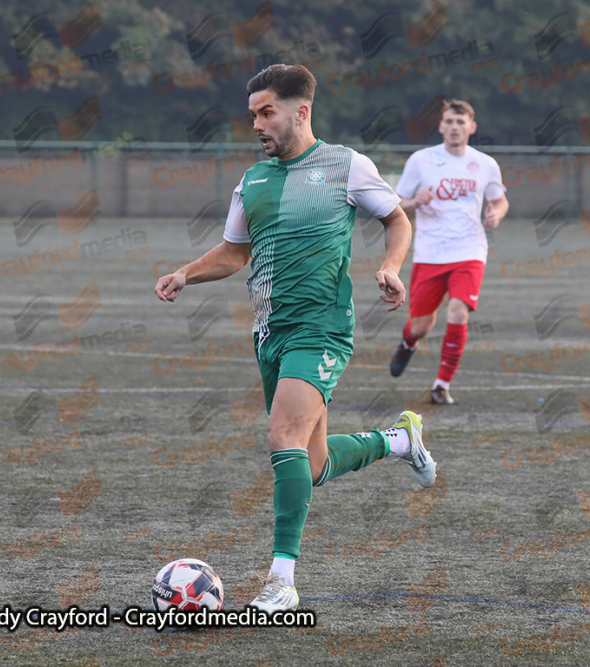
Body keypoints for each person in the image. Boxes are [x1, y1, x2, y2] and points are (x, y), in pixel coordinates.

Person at [154, 64, 437, 613]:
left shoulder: (346, 165)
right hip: (270, 336)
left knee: (282, 433)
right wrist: (186, 273)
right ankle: (399, 441)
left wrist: (393, 265)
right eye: (253, 114)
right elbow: (234, 252)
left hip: (323, 328)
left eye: (267, 113)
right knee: (311, 466)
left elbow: (397, 219)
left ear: (300, 111)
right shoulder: (252, 181)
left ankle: (281, 582)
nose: (257, 124)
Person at [388, 100, 509, 405]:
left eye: (461, 121)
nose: (455, 127)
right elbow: (396, 202)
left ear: (472, 127)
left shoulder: (485, 164)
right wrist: (415, 201)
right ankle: (407, 343)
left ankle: (441, 384)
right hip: (430, 253)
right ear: (441, 126)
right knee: (421, 325)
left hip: (470, 251)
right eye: (450, 121)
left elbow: (500, 200)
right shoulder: (421, 160)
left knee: (458, 311)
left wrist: (498, 214)